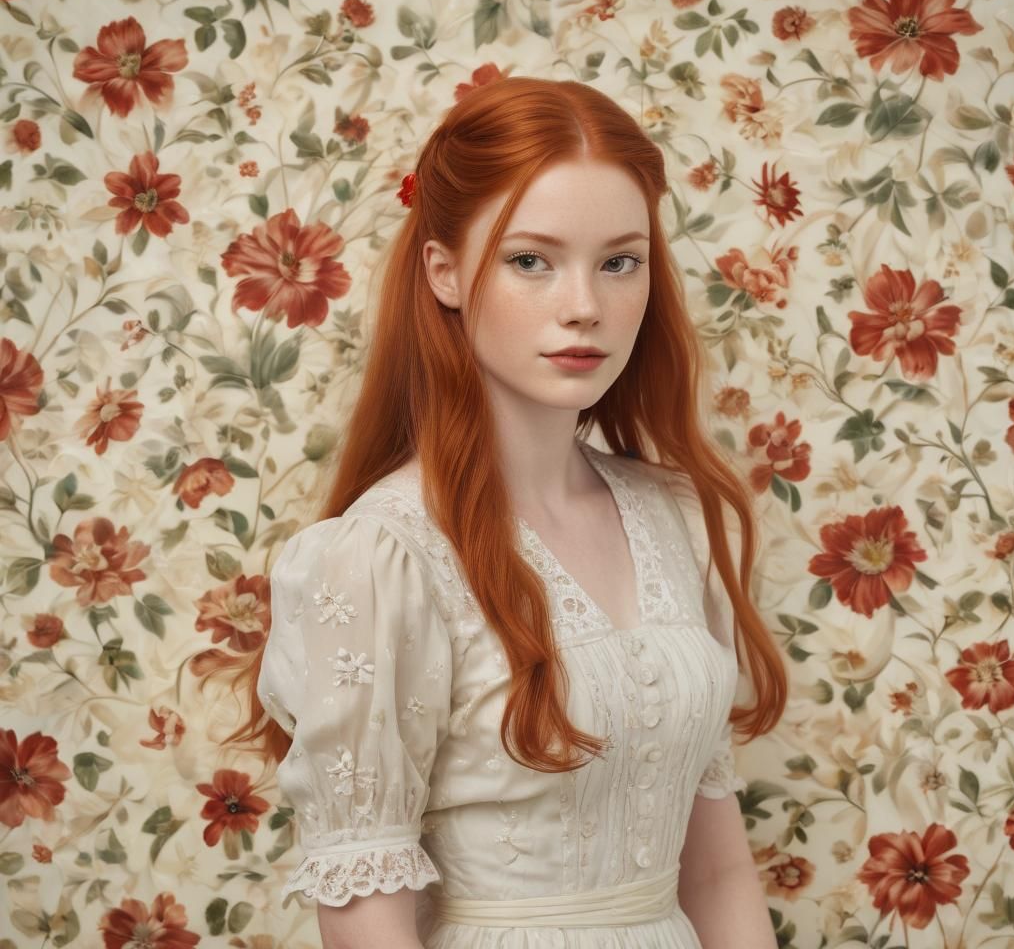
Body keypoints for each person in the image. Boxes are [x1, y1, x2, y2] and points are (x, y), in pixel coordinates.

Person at [226, 77, 788, 948]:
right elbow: (367, 920)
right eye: (532, 259)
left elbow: (715, 872)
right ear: (444, 271)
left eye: (619, 261)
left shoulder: (673, 517)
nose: (585, 306)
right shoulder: (380, 556)